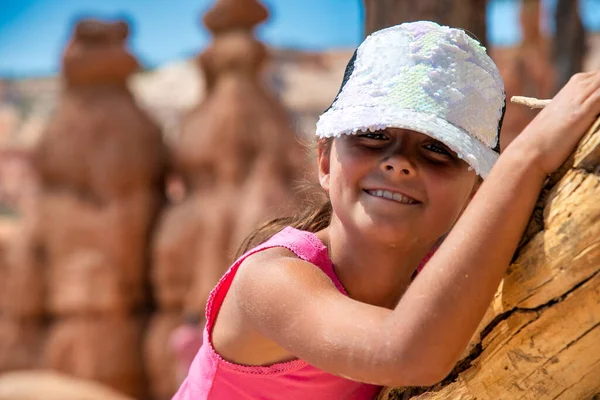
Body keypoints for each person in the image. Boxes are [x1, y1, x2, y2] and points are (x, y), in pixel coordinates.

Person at [172, 21, 600, 399]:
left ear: (474, 193)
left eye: (437, 149)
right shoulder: (270, 281)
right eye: (373, 135)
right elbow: (407, 353)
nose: (398, 162)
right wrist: (526, 158)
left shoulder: (446, 276)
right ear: (324, 161)